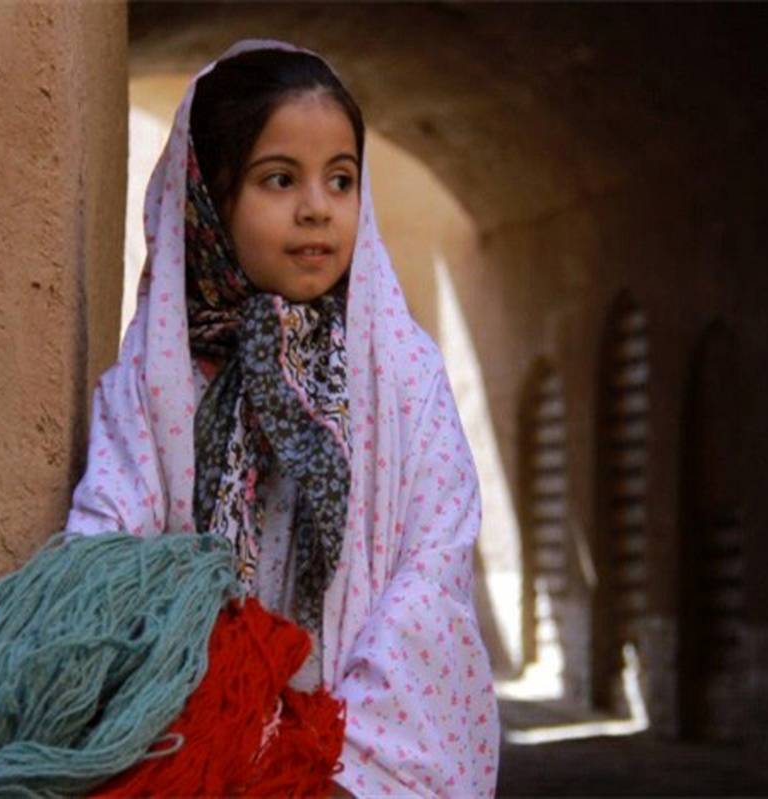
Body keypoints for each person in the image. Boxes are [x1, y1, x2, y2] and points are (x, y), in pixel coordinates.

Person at [65, 39, 499, 798]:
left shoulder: (401, 375)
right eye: (279, 178)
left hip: (347, 764)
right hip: (195, 751)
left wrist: (328, 761)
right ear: (210, 195)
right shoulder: (155, 381)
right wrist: (213, 727)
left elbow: (432, 569)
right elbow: (107, 554)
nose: (317, 207)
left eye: (341, 179)